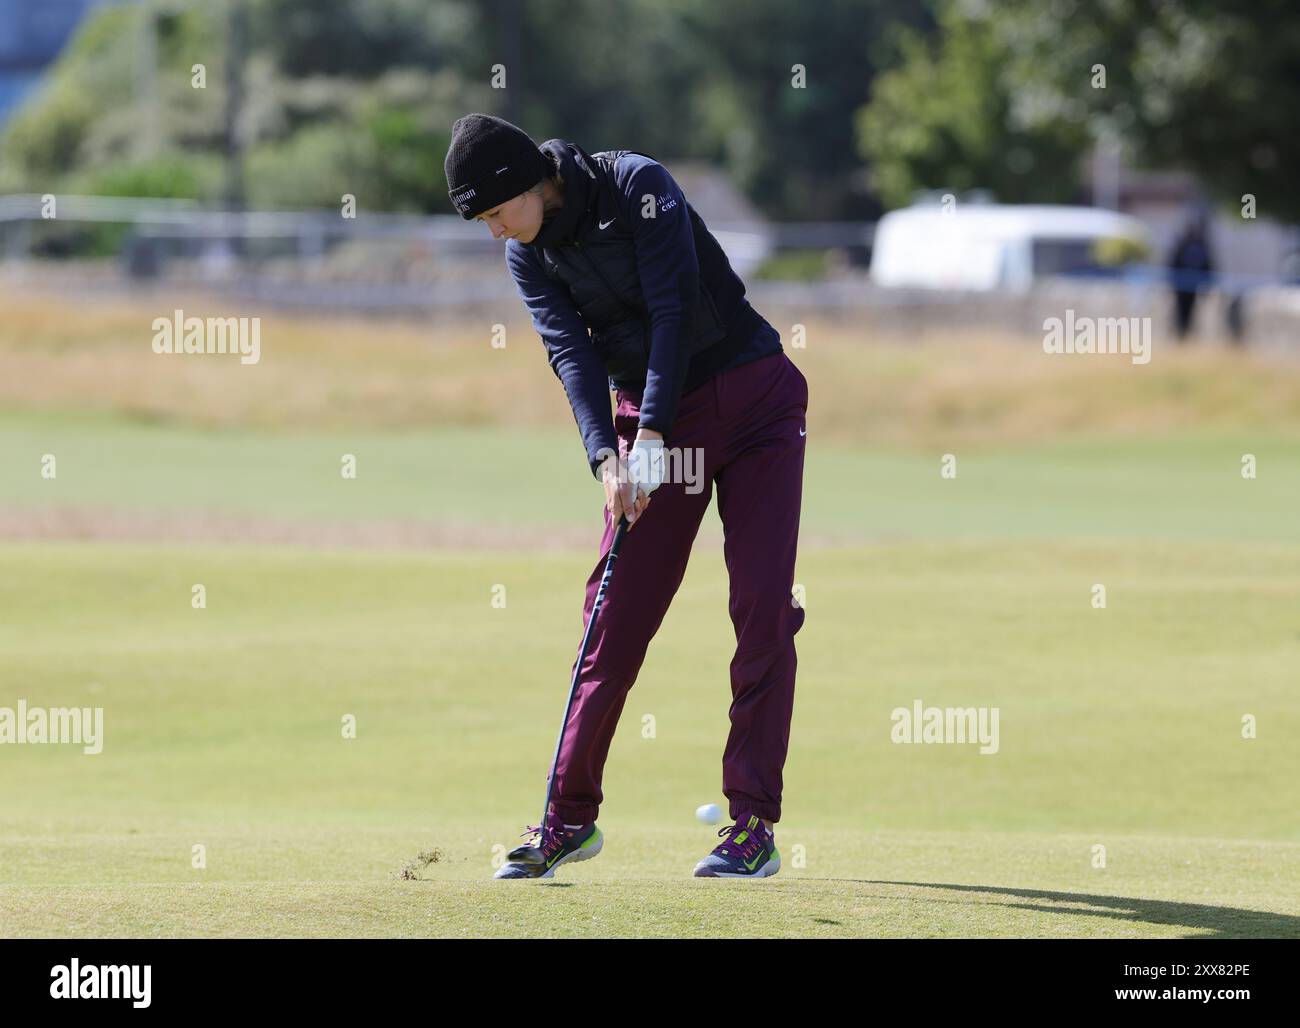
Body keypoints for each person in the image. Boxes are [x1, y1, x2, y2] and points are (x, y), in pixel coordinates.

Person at [444, 113, 808, 879]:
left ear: (526, 185)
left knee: (762, 608)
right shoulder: (528, 256)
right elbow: (570, 353)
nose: (497, 233)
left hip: (755, 406)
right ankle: (567, 819)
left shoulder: (637, 186)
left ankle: (752, 827)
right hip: (651, 428)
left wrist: (653, 434)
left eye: (496, 213)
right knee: (614, 615)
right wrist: (606, 456)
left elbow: (674, 310)